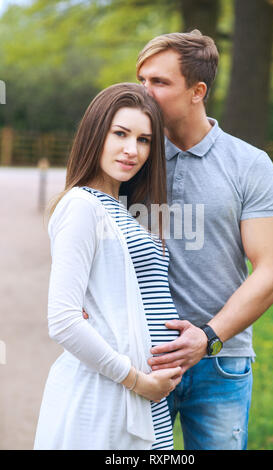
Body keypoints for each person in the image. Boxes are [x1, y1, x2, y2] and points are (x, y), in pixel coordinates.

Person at [135, 30, 273, 450]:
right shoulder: (130, 159)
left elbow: (271, 272)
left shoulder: (249, 165)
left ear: (197, 91)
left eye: (159, 83)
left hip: (221, 360)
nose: (144, 93)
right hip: (139, 356)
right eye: (141, 80)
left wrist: (207, 336)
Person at [33, 83, 183, 450]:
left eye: (144, 140)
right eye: (120, 133)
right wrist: (136, 380)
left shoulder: (124, 211)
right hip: (107, 396)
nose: (132, 150)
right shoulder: (82, 206)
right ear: (95, 133)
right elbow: (64, 321)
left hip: (144, 400)